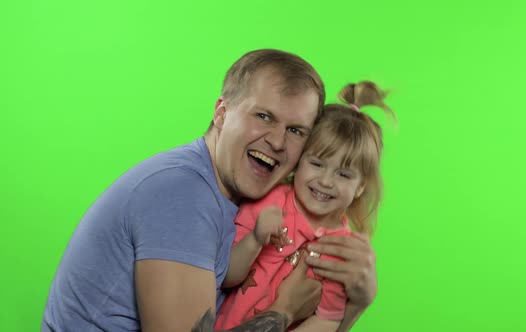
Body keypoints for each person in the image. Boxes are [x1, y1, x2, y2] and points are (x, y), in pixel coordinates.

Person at [42, 49, 377, 332]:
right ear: (221, 112)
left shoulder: (249, 197)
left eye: (295, 130)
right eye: (263, 116)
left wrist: (357, 302)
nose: (277, 141)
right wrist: (284, 311)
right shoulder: (182, 196)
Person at [214, 81, 392, 331]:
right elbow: (225, 276)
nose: (325, 181)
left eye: (344, 174)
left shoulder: (342, 249)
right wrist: (254, 239)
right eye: (317, 164)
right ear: (299, 161)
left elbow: (327, 318)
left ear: (361, 187)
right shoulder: (271, 200)